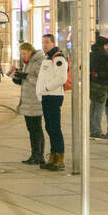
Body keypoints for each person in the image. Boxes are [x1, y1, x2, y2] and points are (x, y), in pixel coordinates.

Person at [36, 33, 68, 171]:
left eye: (47, 42)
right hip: (46, 96)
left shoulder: (58, 57)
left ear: (53, 43)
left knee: (55, 127)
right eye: (43, 42)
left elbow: (62, 78)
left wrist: (46, 88)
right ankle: (53, 156)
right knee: (50, 127)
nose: (44, 45)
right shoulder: (47, 58)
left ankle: (59, 158)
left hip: (53, 96)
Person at [10, 41, 45, 165]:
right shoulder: (29, 62)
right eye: (21, 54)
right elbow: (26, 81)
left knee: (36, 129)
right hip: (28, 101)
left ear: (30, 51)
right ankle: (34, 154)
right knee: (31, 129)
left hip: (35, 102)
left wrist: (26, 77)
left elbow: (42, 81)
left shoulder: (39, 62)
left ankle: (39, 156)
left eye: (24, 54)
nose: (23, 56)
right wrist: (17, 76)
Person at [89, 37, 108, 138]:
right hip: (101, 85)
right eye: (107, 45)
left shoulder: (92, 53)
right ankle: (97, 132)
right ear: (102, 45)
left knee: (93, 107)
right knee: (99, 109)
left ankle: (92, 129)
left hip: (93, 84)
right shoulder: (103, 55)